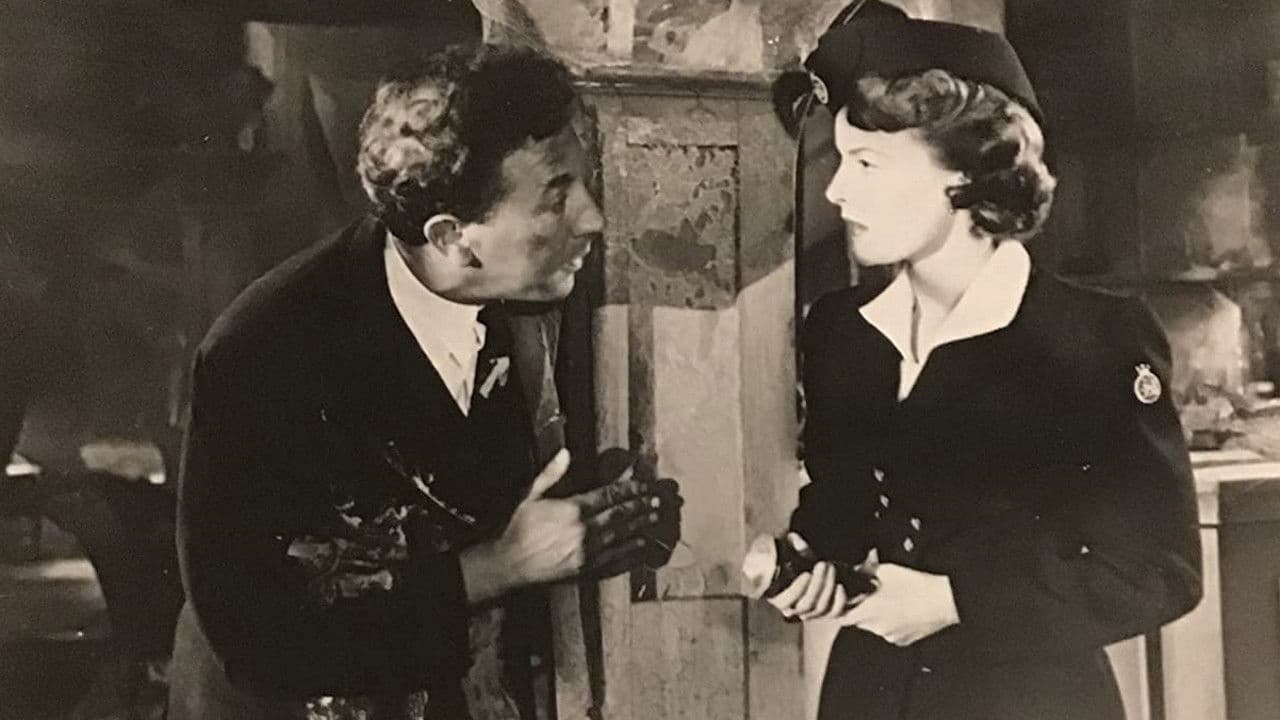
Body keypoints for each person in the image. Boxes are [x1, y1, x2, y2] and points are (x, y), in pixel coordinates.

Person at [169, 43, 680, 720]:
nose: (594, 218)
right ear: (451, 237)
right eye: (556, 196)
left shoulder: (548, 292)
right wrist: (499, 565)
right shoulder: (263, 354)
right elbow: (255, 641)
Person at [765, 4, 1203, 720]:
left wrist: (954, 601)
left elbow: (1161, 570)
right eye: (840, 161)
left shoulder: (1091, 338)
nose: (837, 190)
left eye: (866, 163)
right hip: (872, 697)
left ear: (965, 176)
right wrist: (810, 562)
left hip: (1030, 700)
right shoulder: (843, 331)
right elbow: (846, 507)